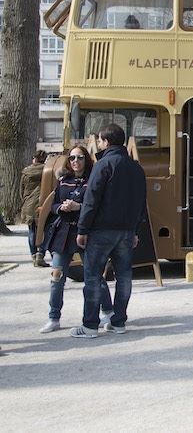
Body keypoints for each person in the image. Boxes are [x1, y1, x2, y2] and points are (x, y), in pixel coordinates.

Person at [70, 123, 147, 338]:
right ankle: (119, 321)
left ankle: (90, 326)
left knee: (93, 277)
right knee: (124, 277)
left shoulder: (103, 165)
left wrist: (83, 229)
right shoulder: (136, 167)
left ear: (105, 141)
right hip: (126, 232)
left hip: (101, 230)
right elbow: (142, 202)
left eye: (101, 140)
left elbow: (91, 200)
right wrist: (135, 230)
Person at [38, 146, 113, 334]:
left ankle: (108, 311)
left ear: (86, 159)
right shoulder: (63, 180)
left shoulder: (93, 180)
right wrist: (60, 208)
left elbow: (98, 206)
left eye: (79, 157)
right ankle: (53, 317)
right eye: (72, 158)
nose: (75, 161)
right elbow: (52, 205)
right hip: (63, 234)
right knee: (57, 276)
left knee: (94, 275)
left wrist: (78, 207)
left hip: (85, 232)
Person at [21, 150, 49, 267]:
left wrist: (25, 201)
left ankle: (33, 255)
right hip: (43, 204)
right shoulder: (47, 171)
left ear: (34, 159)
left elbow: (21, 191)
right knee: (45, 230)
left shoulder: (26, 172)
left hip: (29, 205)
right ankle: (40, 255)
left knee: (32, 231)